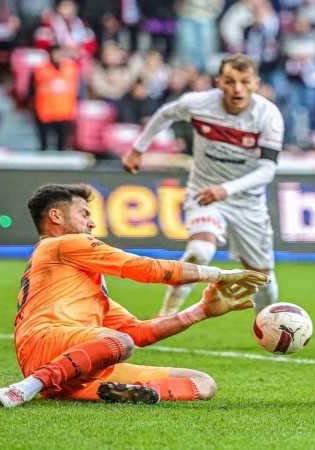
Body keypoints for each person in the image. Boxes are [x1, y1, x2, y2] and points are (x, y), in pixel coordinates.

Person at [0, 184, 269, 408]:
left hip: (75, 365)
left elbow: (139, 332)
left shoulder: (83, 286)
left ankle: (131, 393)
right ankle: (24, 388)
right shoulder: (61, 244)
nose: (92, 223)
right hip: (46, 343)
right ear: (56, 217)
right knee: (118, 342)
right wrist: (217, 273)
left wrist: (202, 311)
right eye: (84, 213)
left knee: (202, 383)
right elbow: (142, 268)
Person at [122, 54, 284, 318]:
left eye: (244, 82)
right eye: (230, 81)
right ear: (219, 82)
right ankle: (165, 315)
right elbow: (165, 114)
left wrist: (226, 189)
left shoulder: (269, 116)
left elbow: (267, 170)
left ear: (256, 83)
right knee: (199, 252)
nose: (237, 89)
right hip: (204, 193)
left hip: (247, 202)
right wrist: (138, 149)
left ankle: (266, 326)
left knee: (262, 278)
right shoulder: (198, 103)